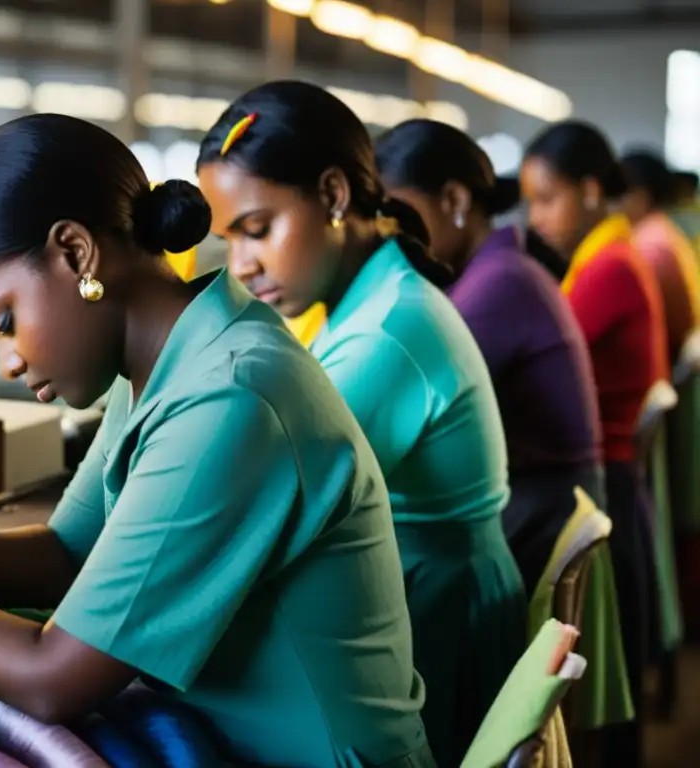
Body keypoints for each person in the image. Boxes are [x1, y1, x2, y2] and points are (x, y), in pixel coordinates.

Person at [0, 114, 435, 768]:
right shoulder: (165, 363)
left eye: (3, 321)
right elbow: (69, 553)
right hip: (226, 736)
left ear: (76, 252)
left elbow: (53, 679)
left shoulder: (230, 396)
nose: (10, 360)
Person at [197, 81, 524, 768]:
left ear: (335, 197)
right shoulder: (374, 296)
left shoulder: (387, 332)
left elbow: (267, 502)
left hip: (439, 614)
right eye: (229, 240)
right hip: (437, 587)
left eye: (257, 229)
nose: (242, 265)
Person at [376, 119, 604, 595]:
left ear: (455, 202)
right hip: (547, 500)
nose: (389, 237)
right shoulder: (497, 271)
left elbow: (404, 394)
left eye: (400, 217)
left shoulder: (498, 284)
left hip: (540, 514)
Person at [520, 120, 667, 767]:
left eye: (546, 199)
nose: (535, 217)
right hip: (617, 485)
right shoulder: (610, 255)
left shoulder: (607, 267)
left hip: (606, 488)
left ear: (587, 191)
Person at [620, 150, 700, 366]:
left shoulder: (649, 245)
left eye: (617, 195)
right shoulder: (658, 230)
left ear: (640, 196)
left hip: (670, 362)